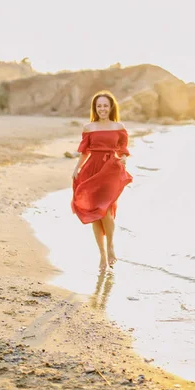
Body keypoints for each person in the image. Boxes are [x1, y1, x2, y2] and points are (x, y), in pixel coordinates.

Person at [71, 90, 133, 270]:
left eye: (105, 105)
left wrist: (124, 159)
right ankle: (103, 255)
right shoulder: (89, 127)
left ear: (111, 107)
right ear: (95, 108)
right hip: (91, 170)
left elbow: (123, 149)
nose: (102, 109)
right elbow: (85, 152)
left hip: (109, 170)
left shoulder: (118, 126)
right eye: (99, 106)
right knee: (95, 215)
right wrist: (77, 168)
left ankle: (111, 245)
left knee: (105, 210)